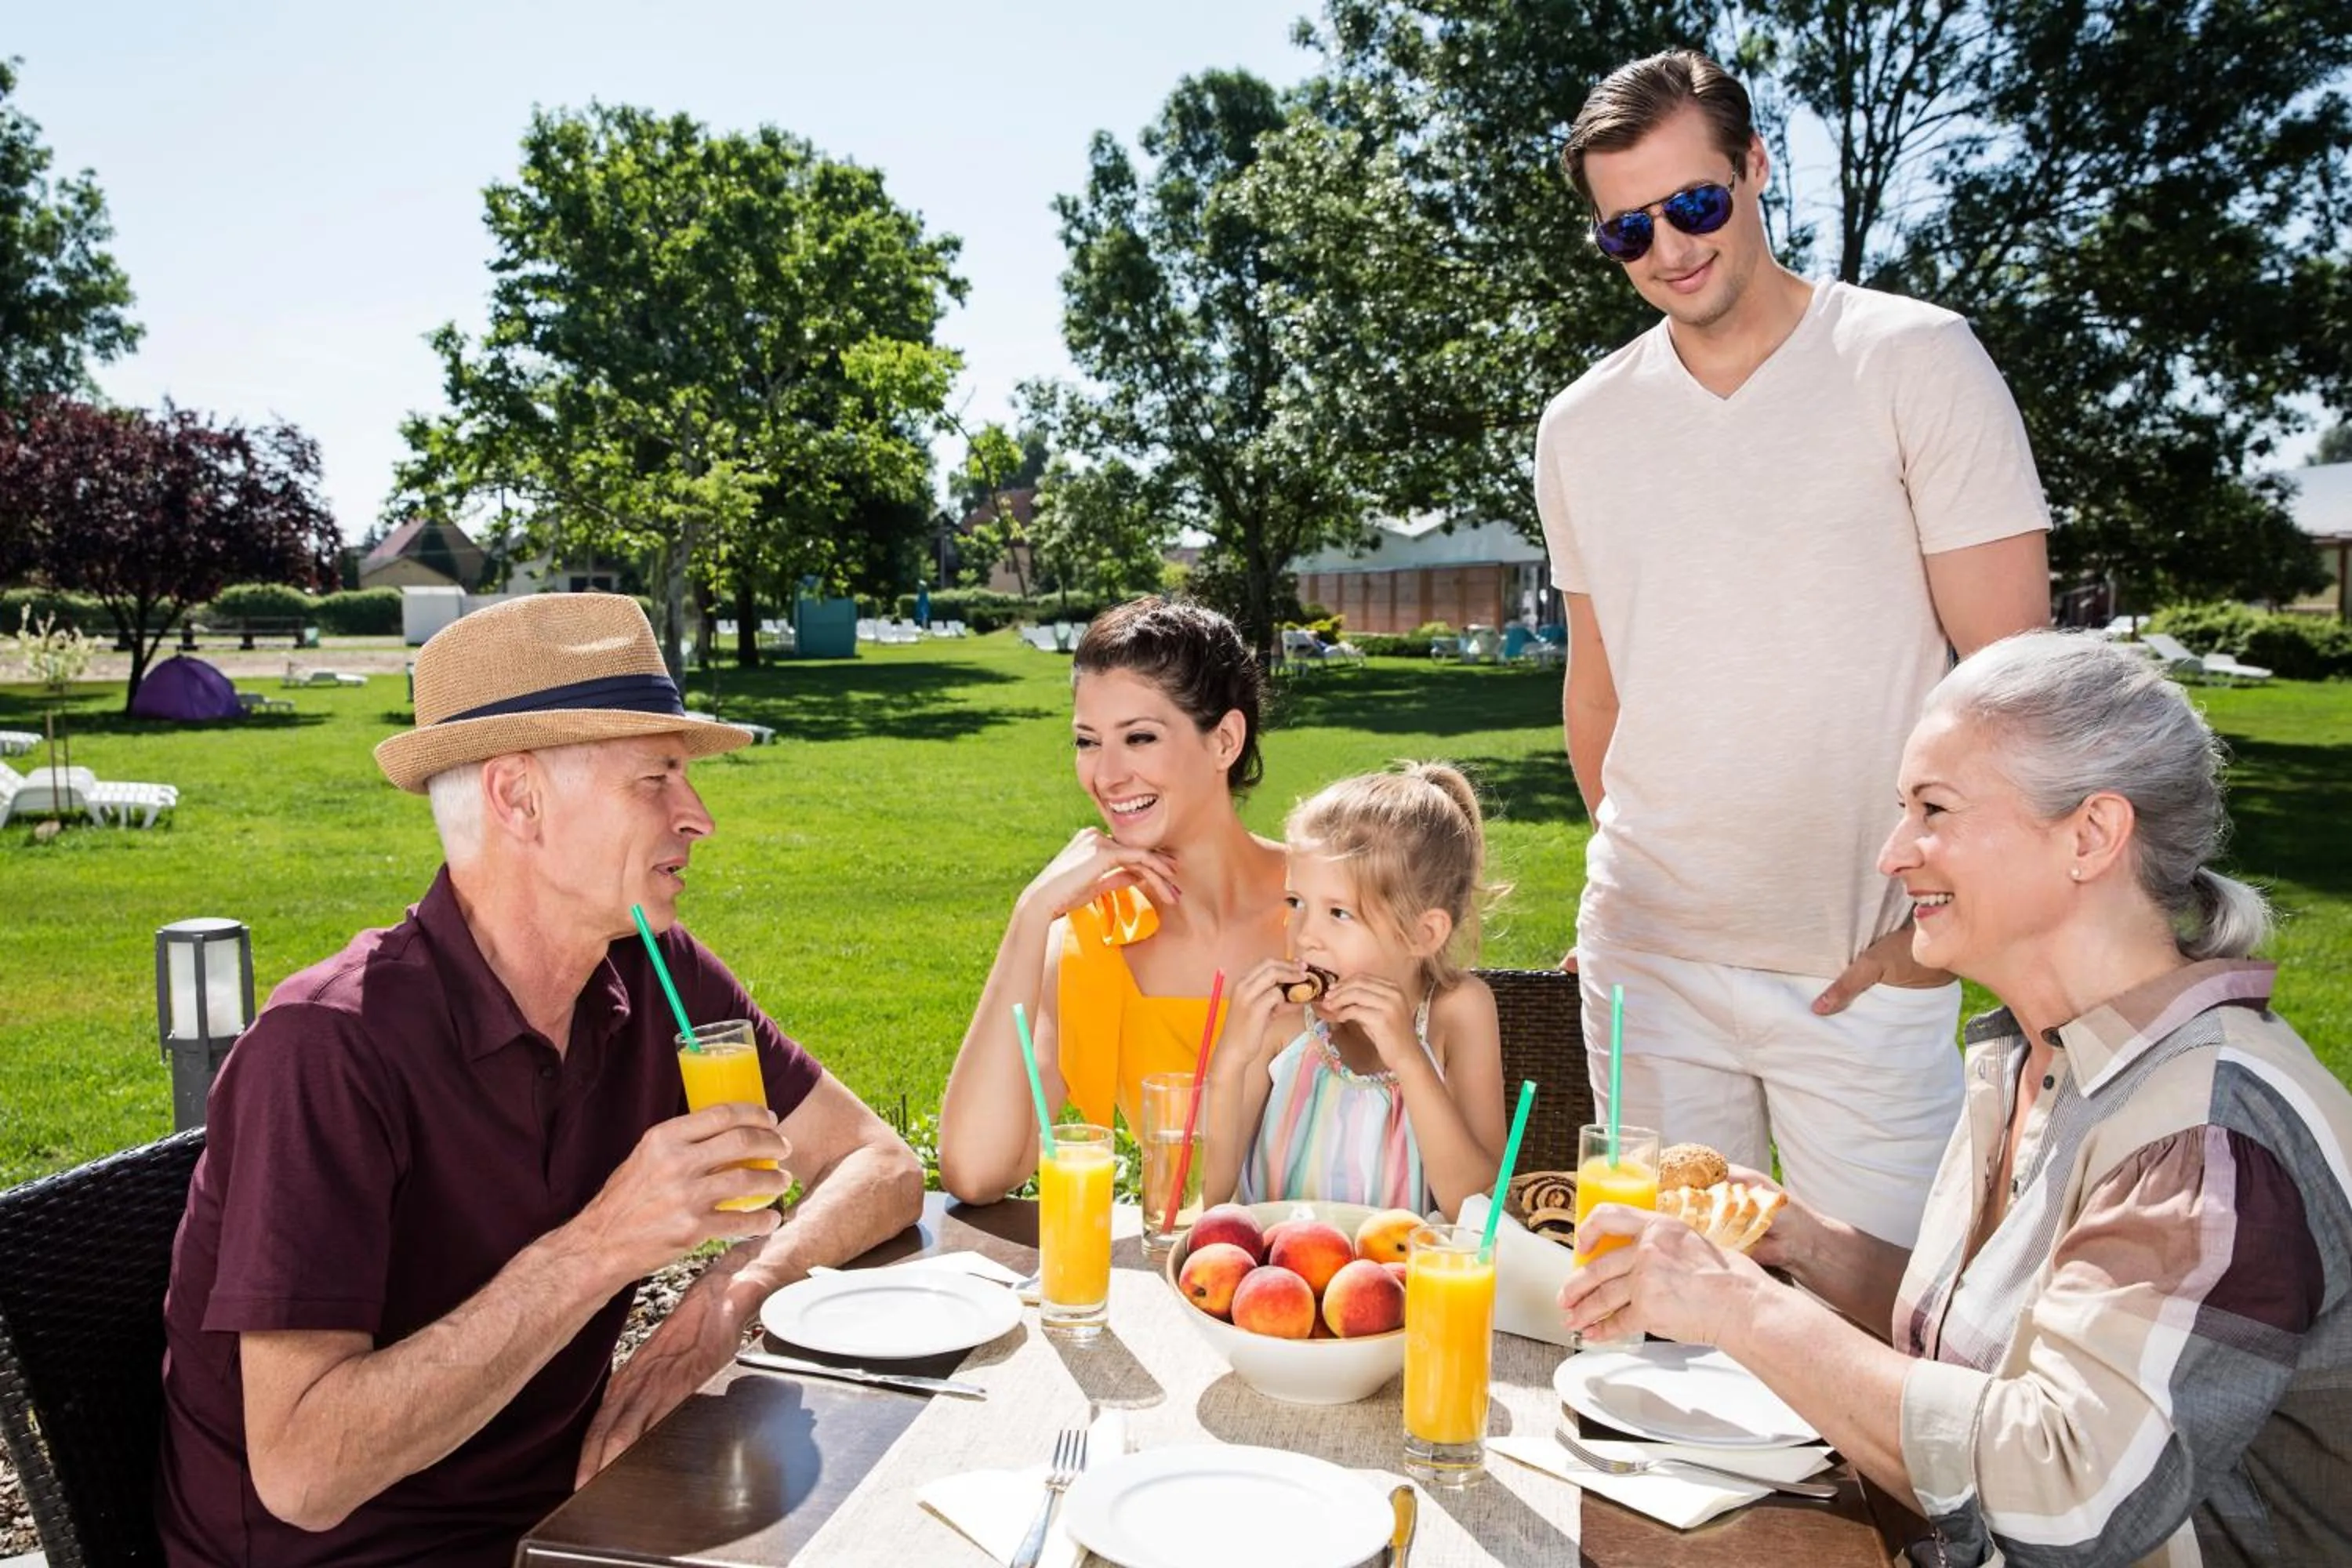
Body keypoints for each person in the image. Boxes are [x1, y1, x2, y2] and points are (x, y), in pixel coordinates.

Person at [157, 594, 924, 1567]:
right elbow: (305, 1474)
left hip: (577, 1521)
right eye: (656, 777)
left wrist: (737, 1291)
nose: (700, 817)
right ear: (518, 798)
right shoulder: (328, 1047)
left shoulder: (657, 971)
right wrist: (603, 1241)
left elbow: (882, 1164)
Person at [1559, 633, 2352, 1568]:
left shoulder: (2208, 1137)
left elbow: (2064, 1496)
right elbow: (2012, 1344)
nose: (1895, 853)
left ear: (2092, 835)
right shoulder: (2042, 1057)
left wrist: (1740, 1305)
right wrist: (1801, 1241)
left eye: (1932, 809)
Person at [1534, 48, 2054, 1245]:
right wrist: (1625, 897)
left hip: (1861, 967)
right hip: (1647, 964)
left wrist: (1933, 942)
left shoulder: (1912, 358)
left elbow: (2017, 683)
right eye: (1628, 232)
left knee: (1878, 1333)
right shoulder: (1582, 427)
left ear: (1757, 166)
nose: (1668, 248)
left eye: (1696, 204)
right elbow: (1599, 689)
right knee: (1658, 1336)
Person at [938, 597, 1292, 1202]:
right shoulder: (1090, 939)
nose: (1107, 775)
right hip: (1183, 1278)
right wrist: (1031, 919)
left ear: (1225, 741)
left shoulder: (1328, 905)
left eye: (1140, 737)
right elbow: (977, 1172)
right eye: (1087, 741)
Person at [1200, 763, 1508, 1218]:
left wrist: (1409, 1056)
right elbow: (1207, 1195)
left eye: (1339, 913)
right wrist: (1230, 1061)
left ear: (1423, 934)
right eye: (1296, 903)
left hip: (1406, 1284)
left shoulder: (1458, 1013)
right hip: (1274, 1279)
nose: (1305, 936)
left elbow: (1482, 1211)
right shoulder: (1283, 1023)